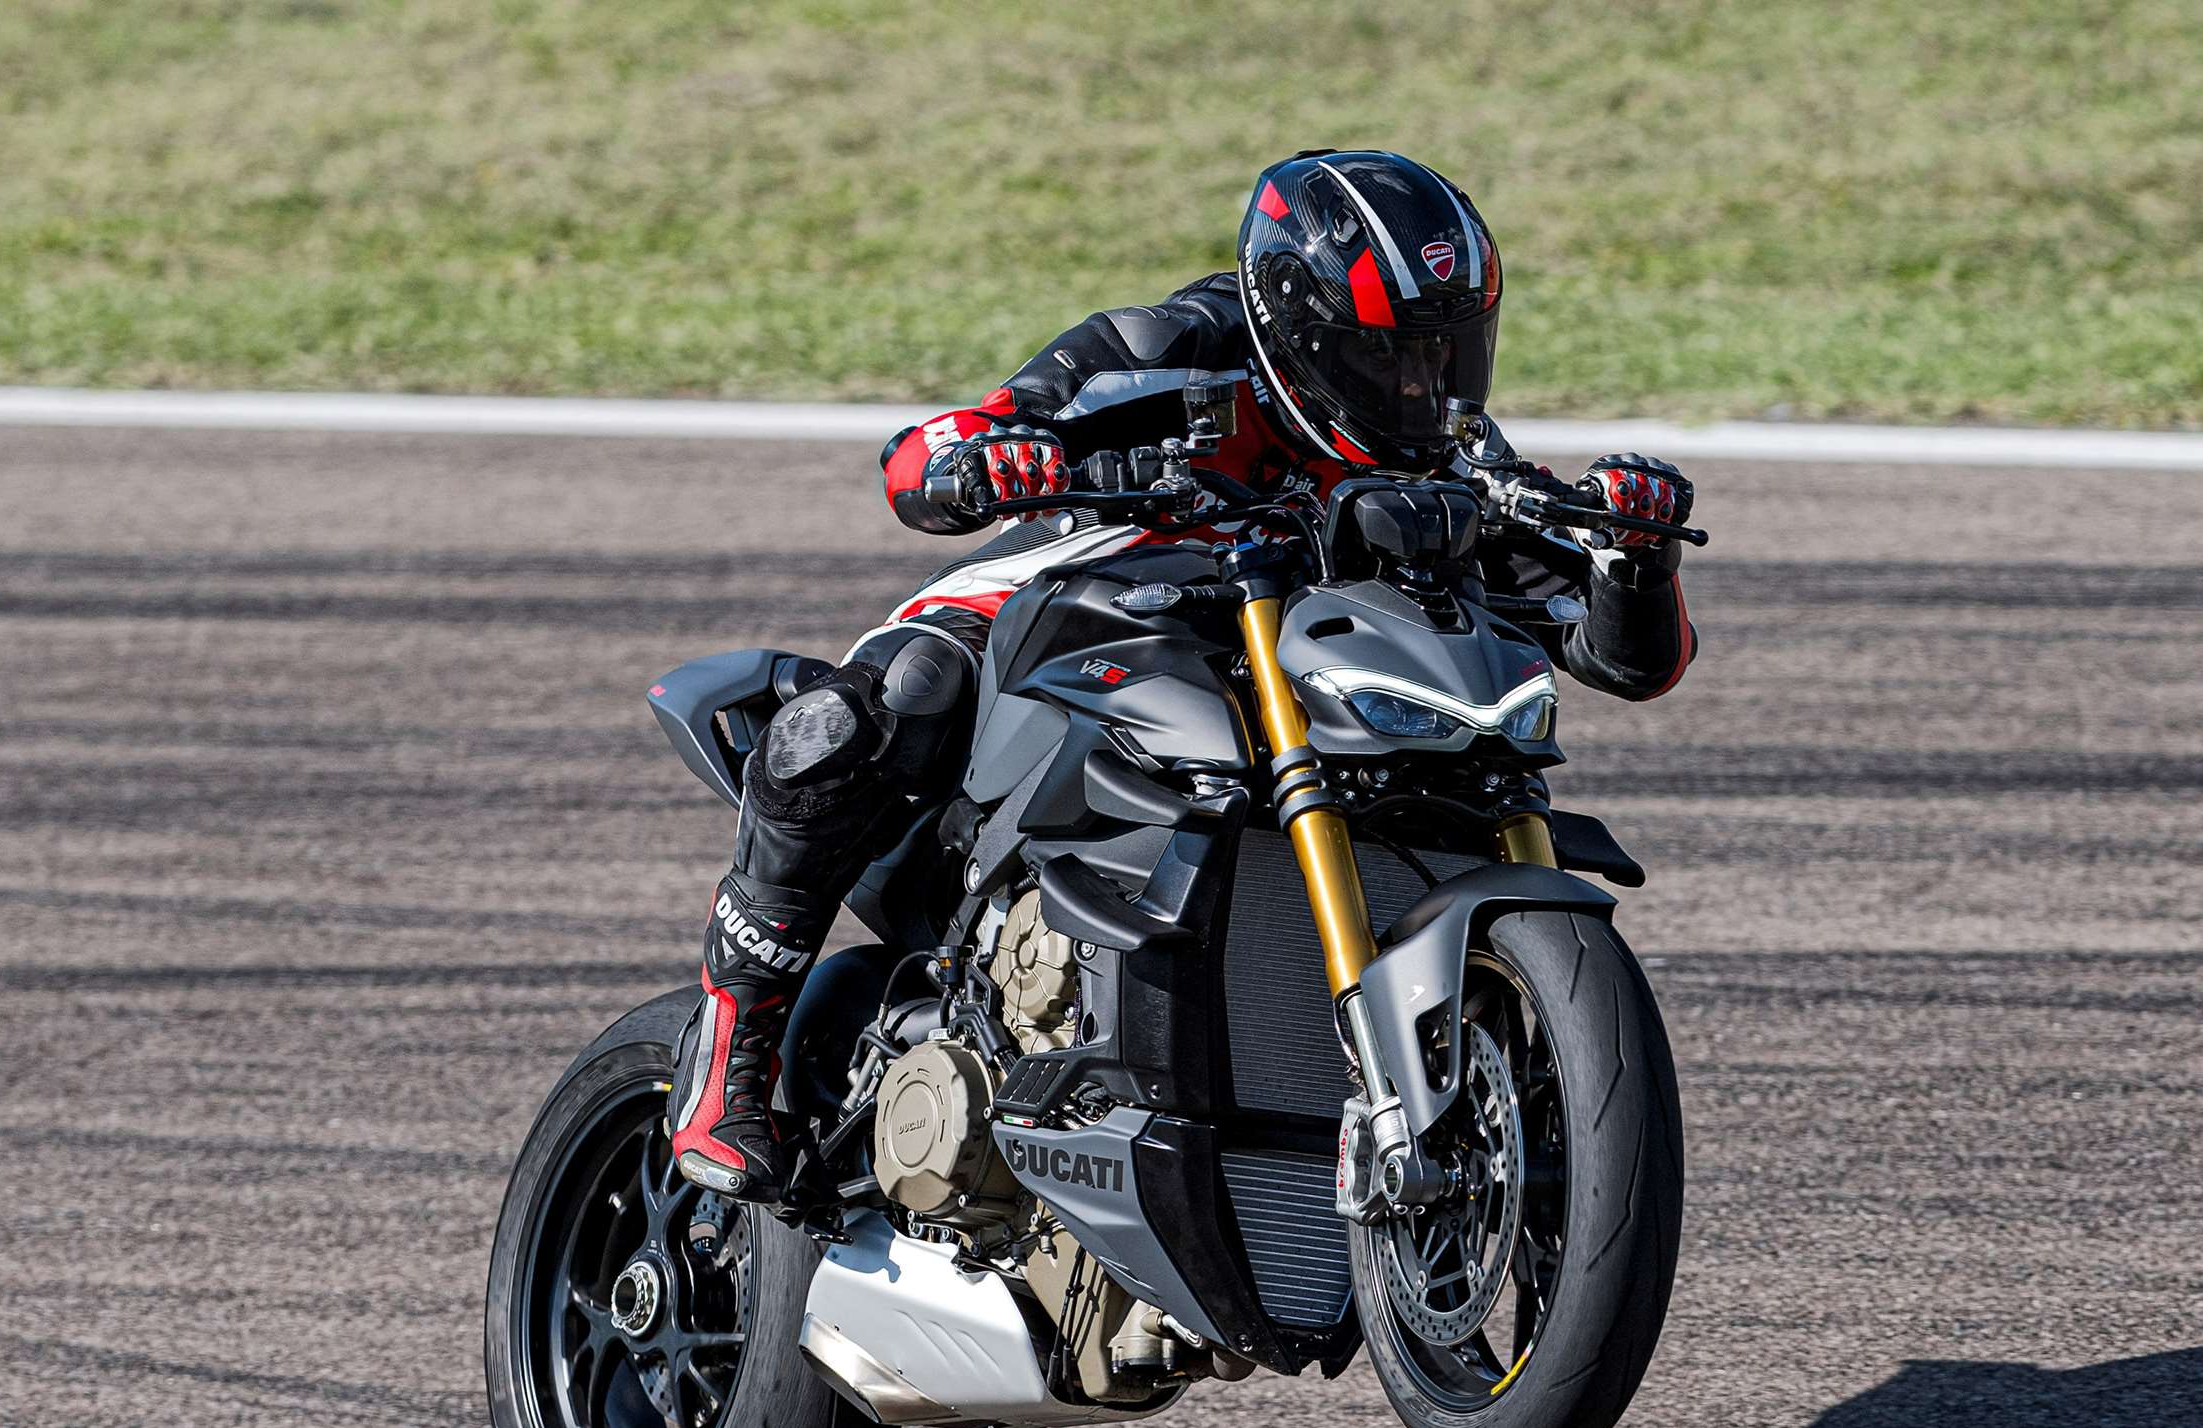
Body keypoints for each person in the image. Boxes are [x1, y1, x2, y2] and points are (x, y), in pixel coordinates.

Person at [668, 149, 1698, 1202]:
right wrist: (989, 456)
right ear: (1296, 324)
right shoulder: (1163, 353)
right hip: (1095, 596)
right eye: (1384, 353)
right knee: (876, 709)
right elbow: (929, 454)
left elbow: (1626, 658)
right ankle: (730, 1052)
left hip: (1282, 671)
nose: (1417, 386)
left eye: (1447, 351)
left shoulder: (1447, 449)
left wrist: (1636, 557)